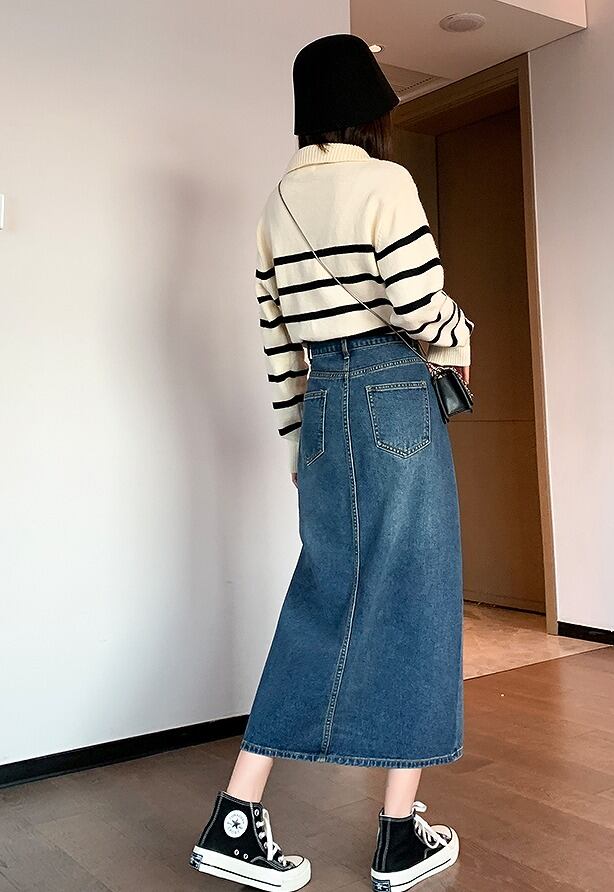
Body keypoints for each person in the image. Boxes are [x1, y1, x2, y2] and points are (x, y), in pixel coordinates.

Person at [189, 32, 474, 892]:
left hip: (322, 408)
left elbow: (278, 346)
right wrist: (462, 335)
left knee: (324, 597)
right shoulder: (385, 183)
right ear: (370, 111)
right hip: (394, 399)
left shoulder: (276, 203)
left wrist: (297, 443)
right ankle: (397, 834)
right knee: (419, 598)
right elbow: (419, 305)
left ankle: (236, 813)